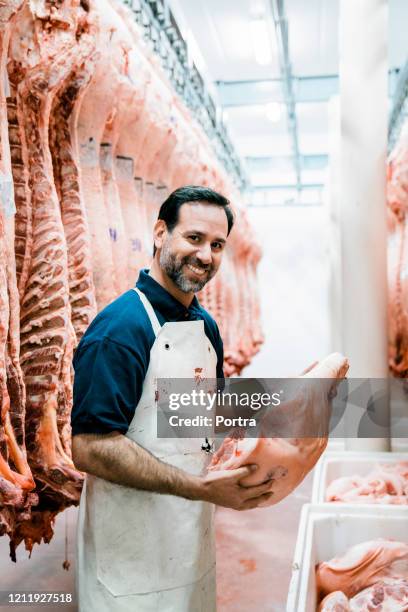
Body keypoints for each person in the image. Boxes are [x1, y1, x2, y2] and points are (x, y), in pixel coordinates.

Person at [71, 186, 273, 612]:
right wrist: (198, 486)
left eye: (217, 245)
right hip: (128, 565)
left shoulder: (205, 326)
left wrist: (298, 412)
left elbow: (200, 420)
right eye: (194, 238)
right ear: (161, 232)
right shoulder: (119, 329)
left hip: (190, 548)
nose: (206, 255)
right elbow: (90, 447)